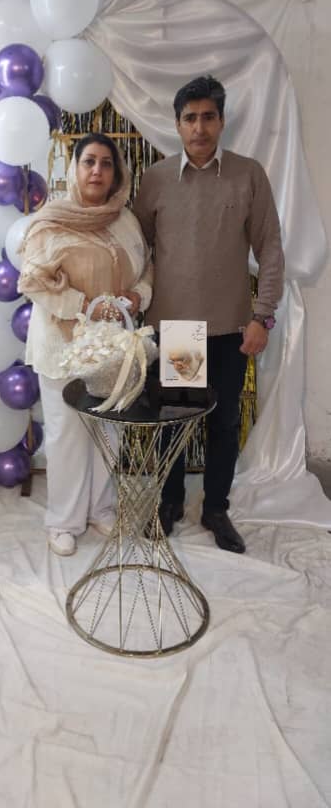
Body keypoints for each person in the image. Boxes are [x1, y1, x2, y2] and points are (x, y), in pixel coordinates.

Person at [133, 76, 284, 554]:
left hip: (229, 329)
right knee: (174, 421)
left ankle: (216, 508)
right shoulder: (157, 179)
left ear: (222, 121)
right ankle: (171, 502)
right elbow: (136, 247)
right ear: (177, 124)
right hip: (178, 330)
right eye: (190, 118)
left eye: (208, 117)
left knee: (222, 424)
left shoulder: (247, 174)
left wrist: (263, 316)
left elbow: (270, 248)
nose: (199, 127)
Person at [18, 133, 153, 556]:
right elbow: (33, 282)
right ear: (75, 168)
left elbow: (146, 268)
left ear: (117, 173)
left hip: (111, 349)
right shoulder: (52, 221)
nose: (97, 171)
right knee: (67, 434)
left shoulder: (124, 219)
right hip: (63, 345)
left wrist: (138, 296)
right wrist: (85, 306)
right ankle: (63, 521)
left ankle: (100, 508)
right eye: (89, 161)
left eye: (106, 163)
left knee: (107, 429)